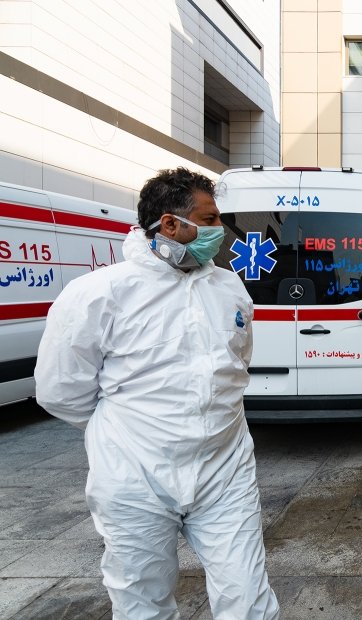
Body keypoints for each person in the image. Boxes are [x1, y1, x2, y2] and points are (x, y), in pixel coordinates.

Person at [34, 168, 280, 619]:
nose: (217, 232)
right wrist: (133, 431)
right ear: (170, 225)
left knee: (248, 599)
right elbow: (60, 390)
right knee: (142, 602)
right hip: (135, 480)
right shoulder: (99, 293)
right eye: (208, 221)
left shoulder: (228, 288)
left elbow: (235, 366)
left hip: (224, 474)